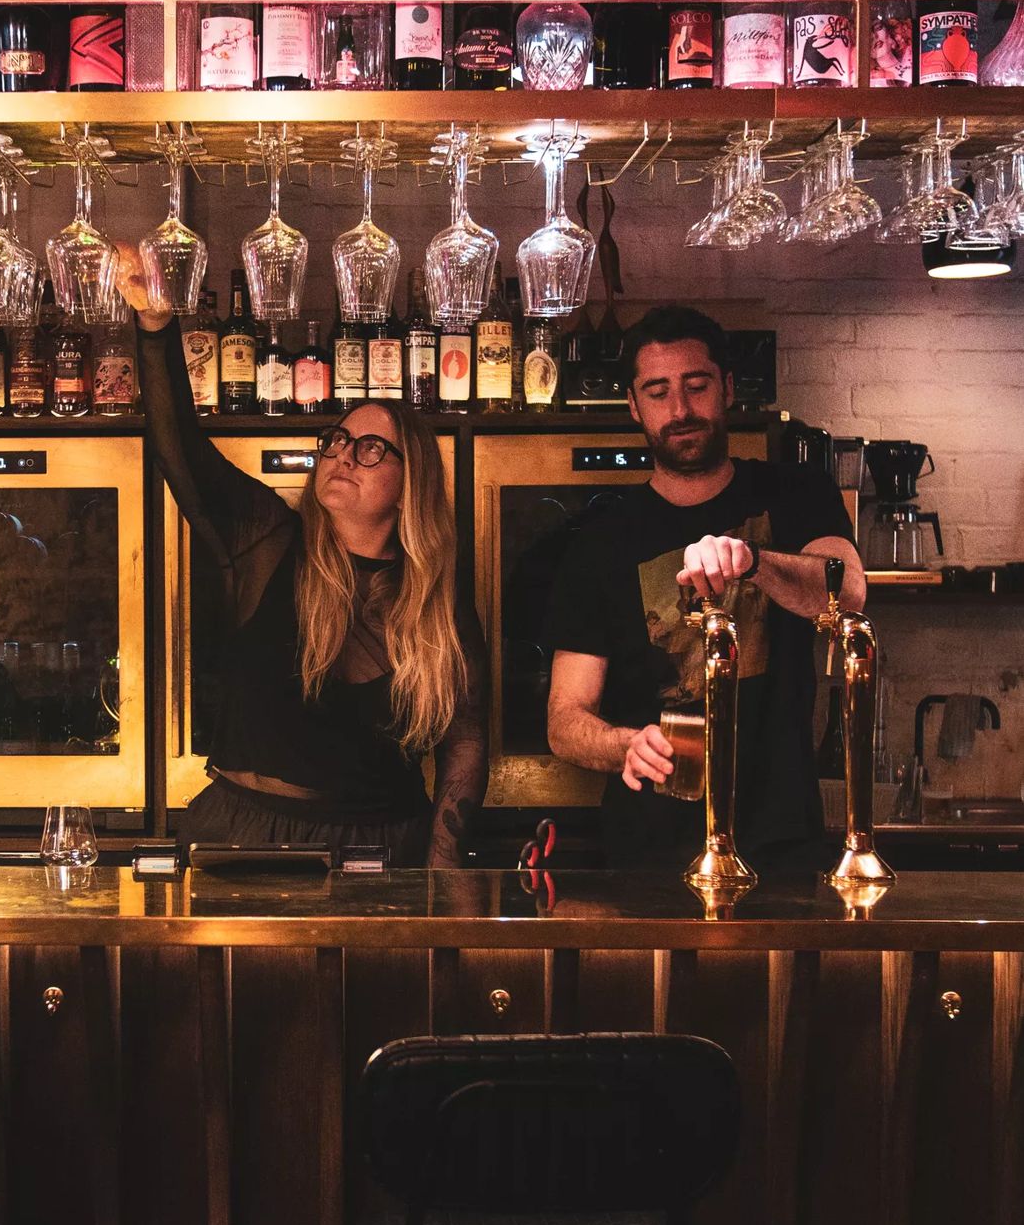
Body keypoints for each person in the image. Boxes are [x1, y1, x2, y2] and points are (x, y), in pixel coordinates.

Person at [116, 245, 489, 868]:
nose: (343, 455)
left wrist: (444, 867)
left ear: (410, 488)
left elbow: (466, 742)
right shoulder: (270, 542)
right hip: (240, 836)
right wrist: (156, 329)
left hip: (380, 845)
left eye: (372, 449)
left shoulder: (434, 602)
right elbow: (181, 451)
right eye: (338, 440)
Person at [543, 305, 863, 872]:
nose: (681, 409)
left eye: (697, 386)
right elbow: (565, 721)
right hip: (649, 854)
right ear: (634, 405)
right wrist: (624, 745)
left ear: (728, 389)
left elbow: (848, 593)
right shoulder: (599, 542)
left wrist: (753, 560)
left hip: (781, 843)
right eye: (659, 391)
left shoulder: (793, 492)